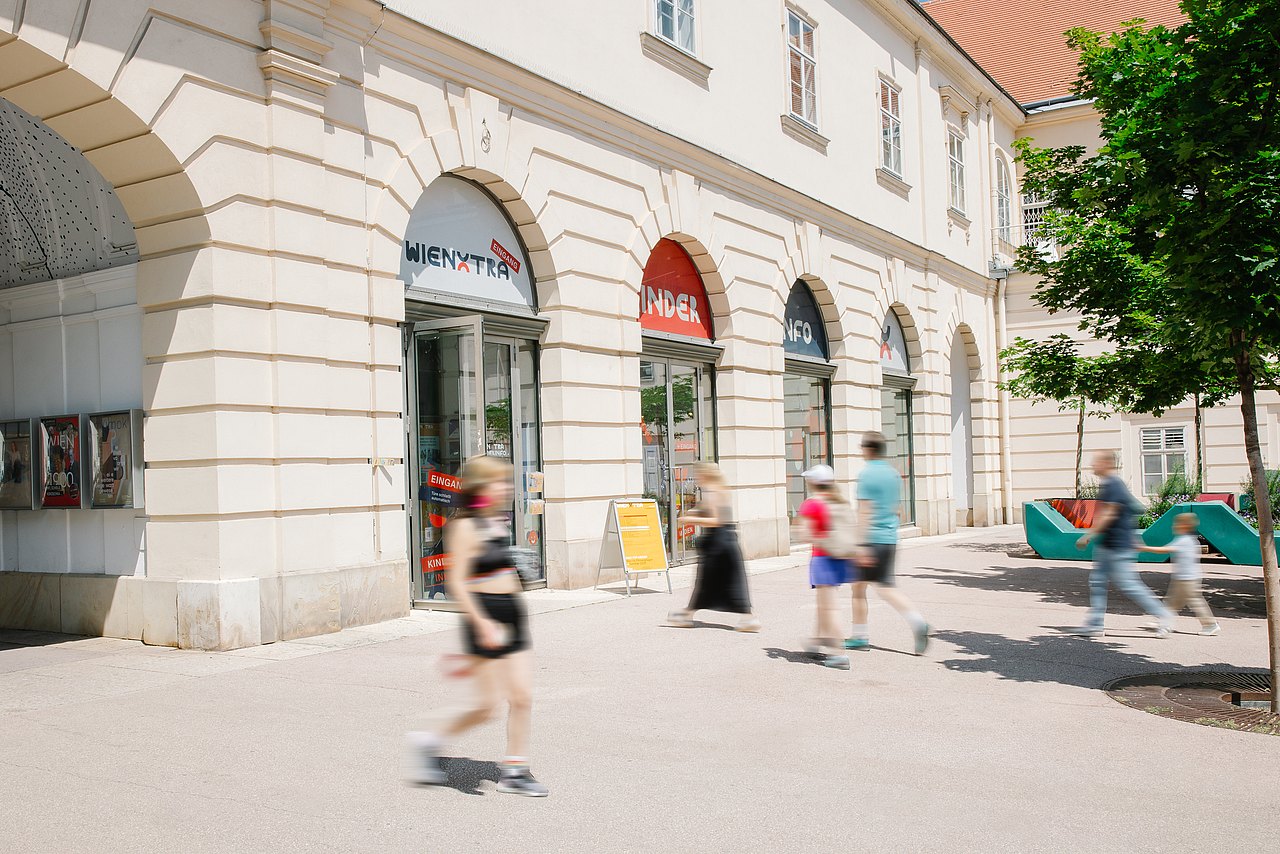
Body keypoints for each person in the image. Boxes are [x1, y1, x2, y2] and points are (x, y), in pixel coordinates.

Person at [407, 455, 547, 797]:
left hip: (512, 614)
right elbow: (458, 582)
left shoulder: (495, 520)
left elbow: (498, 567)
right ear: (481, 486)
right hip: (484, 615)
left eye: (507, 481)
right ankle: (427, 744)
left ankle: (515, 770)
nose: (507, 488)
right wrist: (481, 621)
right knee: (486, 707)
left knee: (522, 696)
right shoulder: (463, 526)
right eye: (499, 482)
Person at [1073, 450, 1174, 637]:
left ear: (1107, 464)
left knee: (1129, 585)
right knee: (1097, 582)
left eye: (1097, 462)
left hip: (1117, 546)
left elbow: (1109, 514)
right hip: (1109, 545)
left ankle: (1164, 616)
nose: (1093, 466)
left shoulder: (1113, 484)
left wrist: (1088, 535)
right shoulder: (1110, 484)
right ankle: (1095, 624)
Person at [847, 432, 931, 655]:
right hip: (890, 539)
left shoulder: (866, 475)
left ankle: (860, 636)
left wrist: (861, 545)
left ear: (868, 449)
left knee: (861, 589)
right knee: (882, 586)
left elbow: (864, 511)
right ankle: (914, 622)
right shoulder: (894, 474)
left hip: (871, 539)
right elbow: (898, 509)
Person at [667, 462, 760, 632]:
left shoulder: (712, 491)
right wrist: (693, 513)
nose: (695, 478)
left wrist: (691, 520)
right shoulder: (717, 489)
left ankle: (687, 615)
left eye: (697, 474)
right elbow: (705, 510)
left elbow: (717, 520)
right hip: (725, 541)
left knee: (707, 581)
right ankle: (748, 618)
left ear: (704, 475)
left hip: (718, 543)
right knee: (723, 581)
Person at [797, 464, 854, 669]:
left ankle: (839, 654)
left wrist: (816, 533)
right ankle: (815, 644)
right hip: (840, 558)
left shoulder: (811, 504)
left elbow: (804, 534)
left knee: (829, 608)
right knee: (824, 605)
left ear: (813, 482)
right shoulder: (837, 500)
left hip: (822, 559)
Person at [1138, 512, 1221, 636]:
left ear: (1185, 526)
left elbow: (1164, 550)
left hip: (1187, 578)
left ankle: (1210, 624)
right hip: (1186, 577)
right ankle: (1164, 622)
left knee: (1194, 601)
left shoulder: (1184, 540)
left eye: (1177, 524)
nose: (1174, 526)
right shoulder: (1190, 540)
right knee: (1172, 602)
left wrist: (1144, 548)